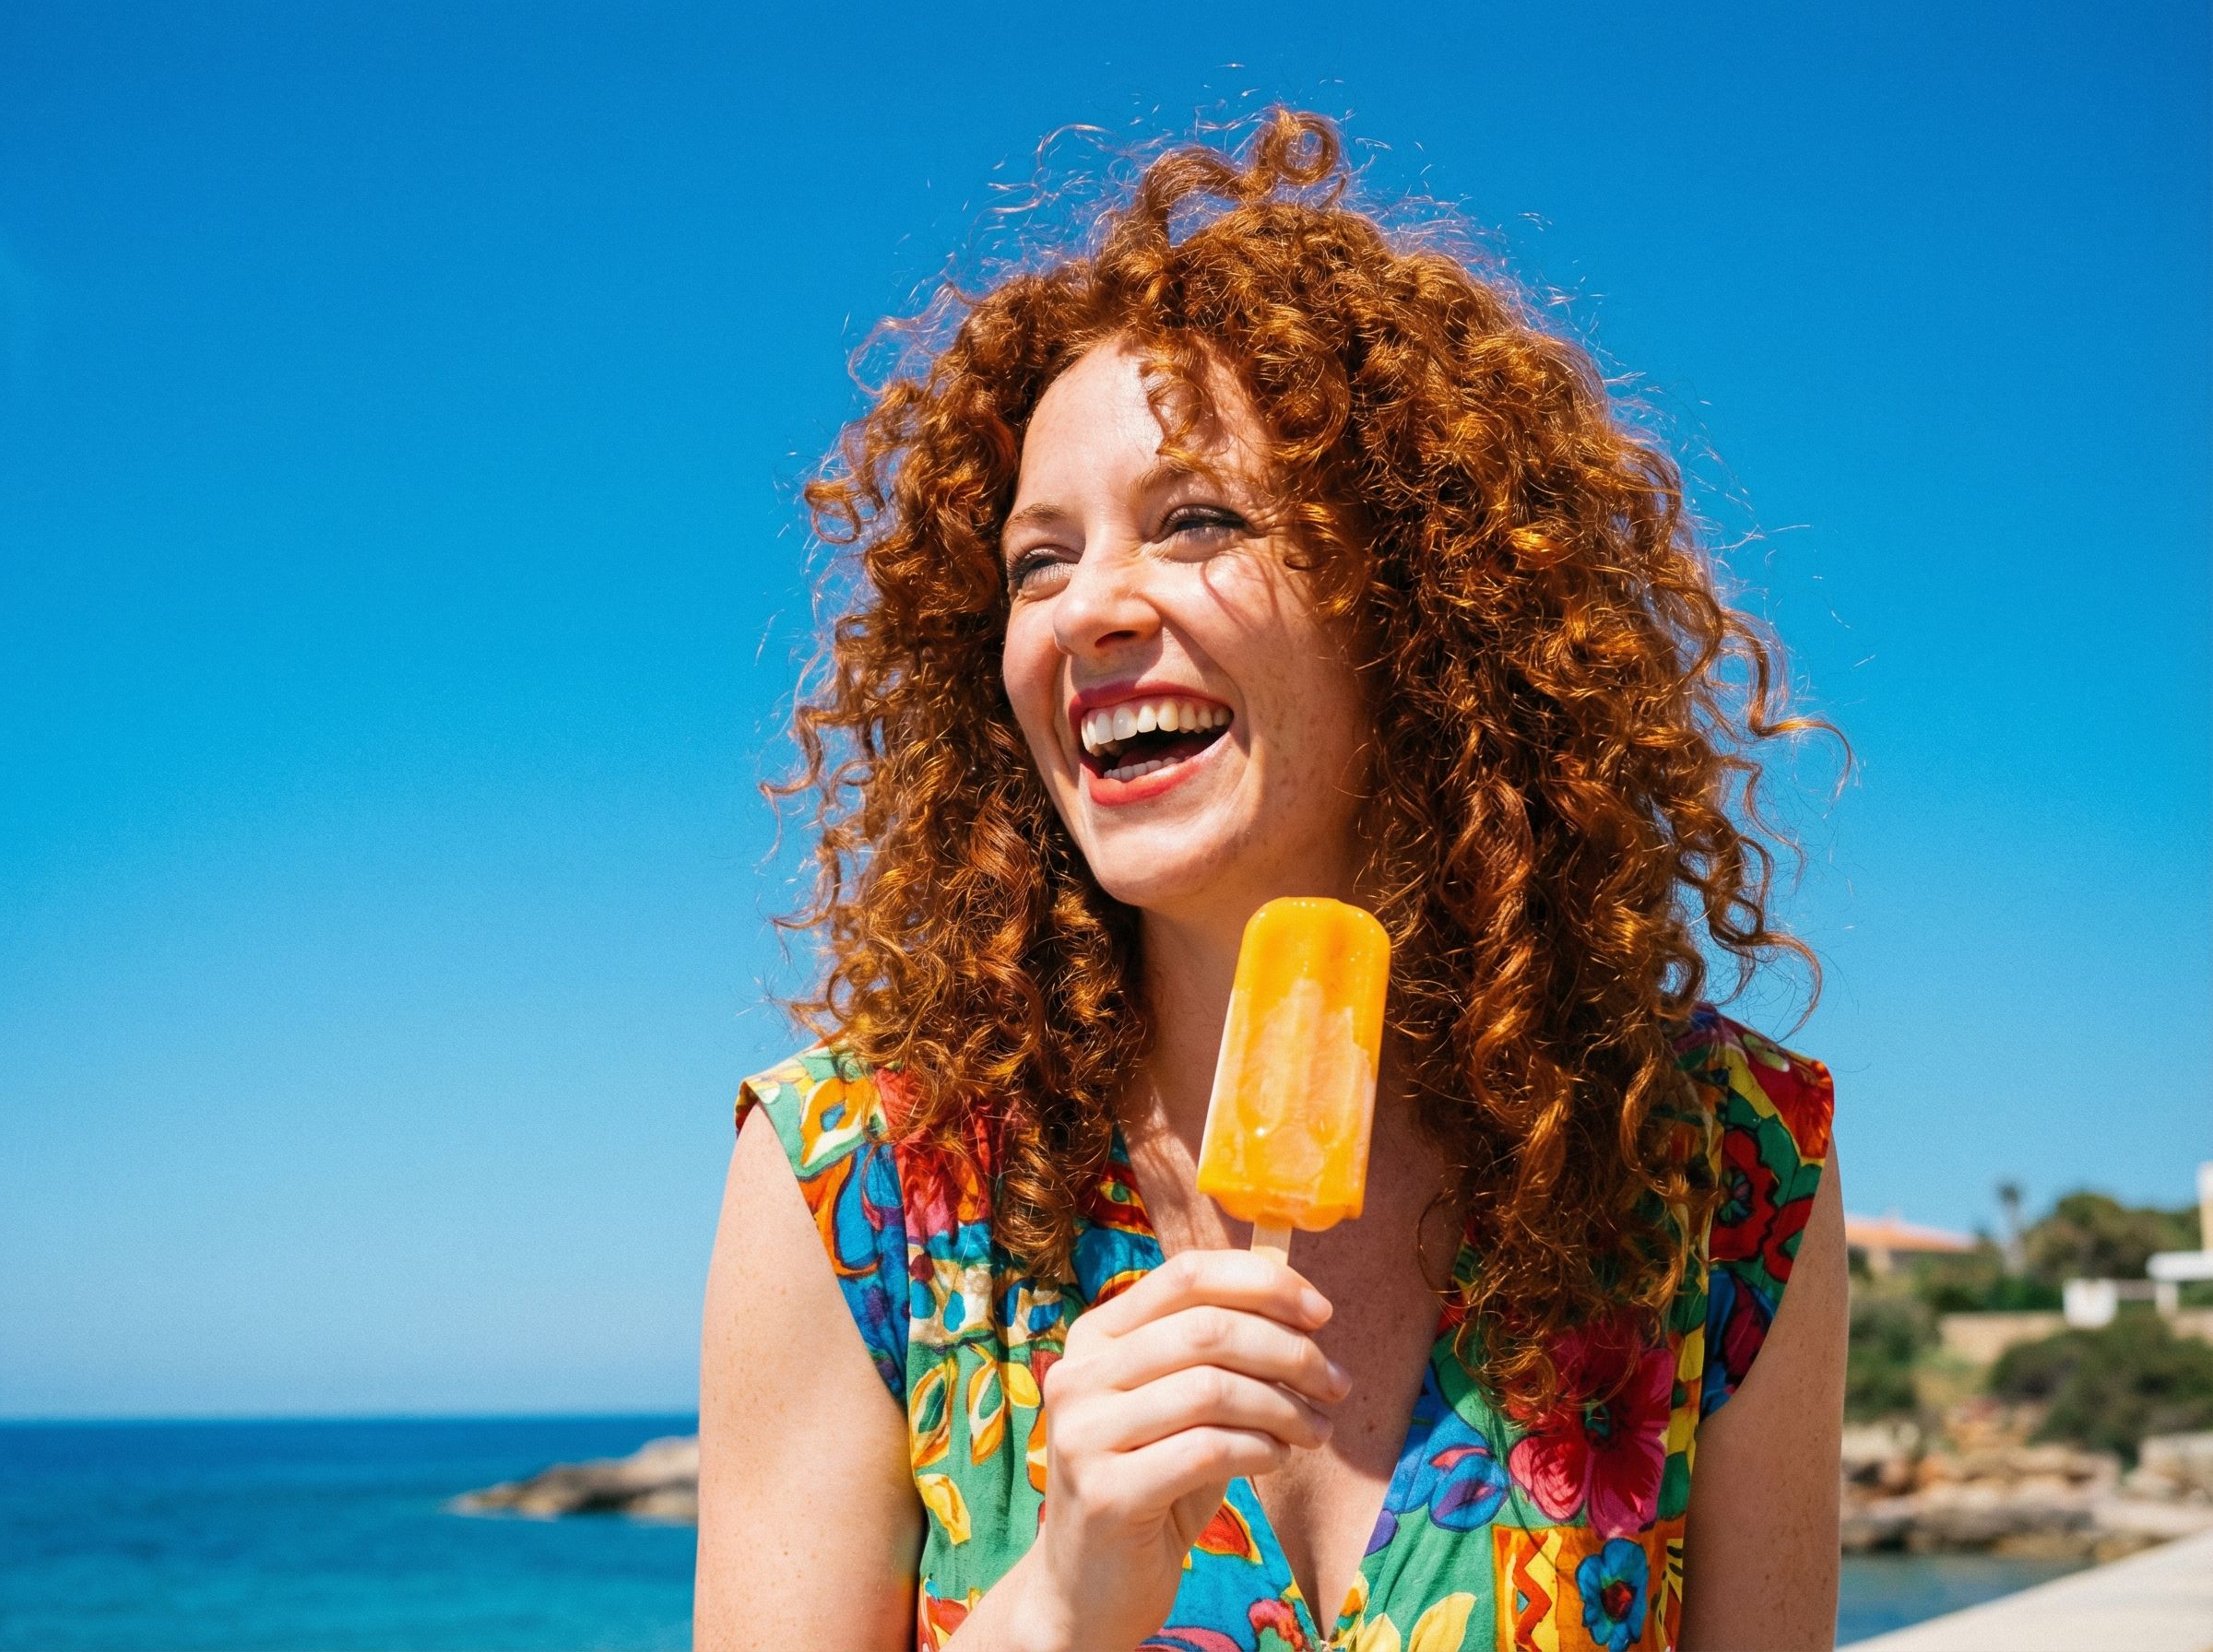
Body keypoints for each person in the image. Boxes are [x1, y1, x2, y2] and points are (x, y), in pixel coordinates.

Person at [696, 109, 1847, 1652]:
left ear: (1423, 604)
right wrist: (1065, 1594)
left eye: (1197, 523)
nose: (1089, 607)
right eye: (1036, 562)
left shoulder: (1721, 1171)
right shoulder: (863, 1184)